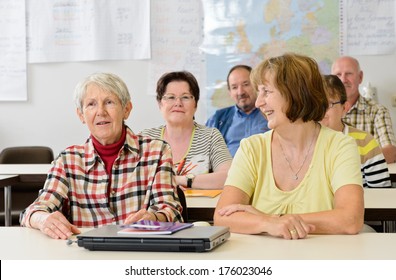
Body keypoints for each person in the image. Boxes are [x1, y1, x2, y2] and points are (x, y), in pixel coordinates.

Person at [214, 53, 364, 240]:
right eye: (258, 92)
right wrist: (269, 223)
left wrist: (273, 220)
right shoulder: (251, 148)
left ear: (296, 93)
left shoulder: (340, 146)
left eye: (266, 92)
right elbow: (222, 217)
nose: (259, 102)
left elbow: (350, 220)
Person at [20, 73, 182, 239]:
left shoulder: (156, 151)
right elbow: (34, 210)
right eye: (91, 104)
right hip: (85, 256)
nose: (101, 112)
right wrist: (42, 219)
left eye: (109, 102)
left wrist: (154, 218)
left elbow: (169, 209)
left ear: (126, 109)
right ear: (81, 115)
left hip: (138, 250)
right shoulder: (67, 160)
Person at [140, 71, 232, 189]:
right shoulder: (146, 138)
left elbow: (229, 177)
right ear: (160, 104)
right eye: (171, 97)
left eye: (185, 97)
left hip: (200, 207)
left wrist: (179, 180)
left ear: (195, 104)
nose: (178, 103)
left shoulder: (210, 136)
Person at [320, 74, 392, 188]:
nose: (320, 110)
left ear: (345, 108)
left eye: (328, 104)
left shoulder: (365, 142)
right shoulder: (302, 143)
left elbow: (380, 191)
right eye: (315, 104)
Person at [331, 56, 396, 163]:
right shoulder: (322, 112)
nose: (343, 79)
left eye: (349, 73)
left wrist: (349, 162)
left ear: (360, 77)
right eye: (338, 74)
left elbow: (391, 152)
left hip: (366, 177)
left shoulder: (377, 111)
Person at [206, 65, 269, 156]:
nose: (240, 92)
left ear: (256, 86)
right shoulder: (218, 119)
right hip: (229, 169)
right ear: (230, 92)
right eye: (234, 87)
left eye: (246, 84)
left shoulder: (270, 113)